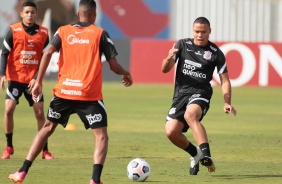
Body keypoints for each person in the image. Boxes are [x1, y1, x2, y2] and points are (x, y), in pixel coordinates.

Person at [8, 0, 133, 183]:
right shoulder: (100, 34)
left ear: (78, 13)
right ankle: (95, 180)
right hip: (88, 95)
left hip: (64, 92)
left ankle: (22, 171)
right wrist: (126, 73)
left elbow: (48, 52)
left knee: (47, 128)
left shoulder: (63, 31)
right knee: (101, 136)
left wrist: (38, 81)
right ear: (94, 14)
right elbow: (113, 66)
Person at [162, 17, 237, 175]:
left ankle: (206, 155)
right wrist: (168, 59)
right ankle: (196, 154)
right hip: (180, 94)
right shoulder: (182, 45)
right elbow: (165, 69)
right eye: (197, 31)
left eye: (203, 32)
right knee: (171, 131)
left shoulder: (216, 53)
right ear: (193, 31)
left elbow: (225, 81)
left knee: (191, 115)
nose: (200, 35)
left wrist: (227, 102)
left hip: (201, 93)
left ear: (210, 31)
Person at [0, 1, 54, 160]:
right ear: (21, 14)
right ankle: (9, 147)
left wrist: (37, 78)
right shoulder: (13, 31)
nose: (30, 15)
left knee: (39, 113)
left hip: (34, 81)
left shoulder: (43, 32)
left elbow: (46, 57)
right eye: (27, 12)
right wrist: (2, 75)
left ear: (36, 14)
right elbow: (4, 53)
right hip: (16, 79)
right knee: (9, 109)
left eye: (32, 12)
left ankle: (45, 150)